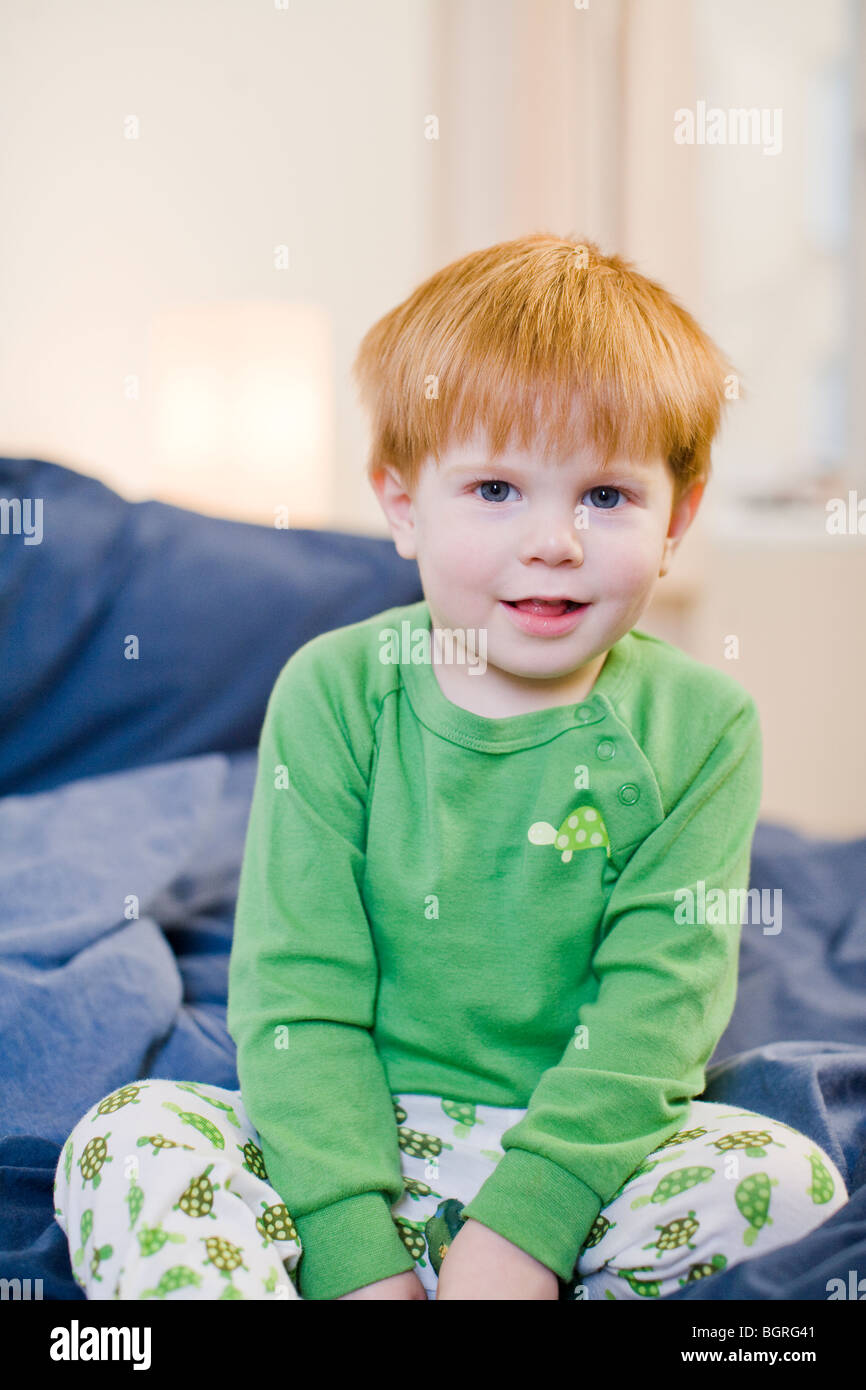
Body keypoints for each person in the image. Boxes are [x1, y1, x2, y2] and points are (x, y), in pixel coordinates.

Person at [53, 234, 848, 1301]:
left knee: (788, 1179)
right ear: (399, 504)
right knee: (123, 1138)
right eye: (493, 488)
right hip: (344, 1139)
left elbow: (654, 1014)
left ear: (678, 519)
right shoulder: (334, 691)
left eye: (605, 497)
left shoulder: (701, 723)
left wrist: (522, 1234)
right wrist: (350, 1249)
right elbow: (298, 989)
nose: (553, 539)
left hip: (577, 1154)